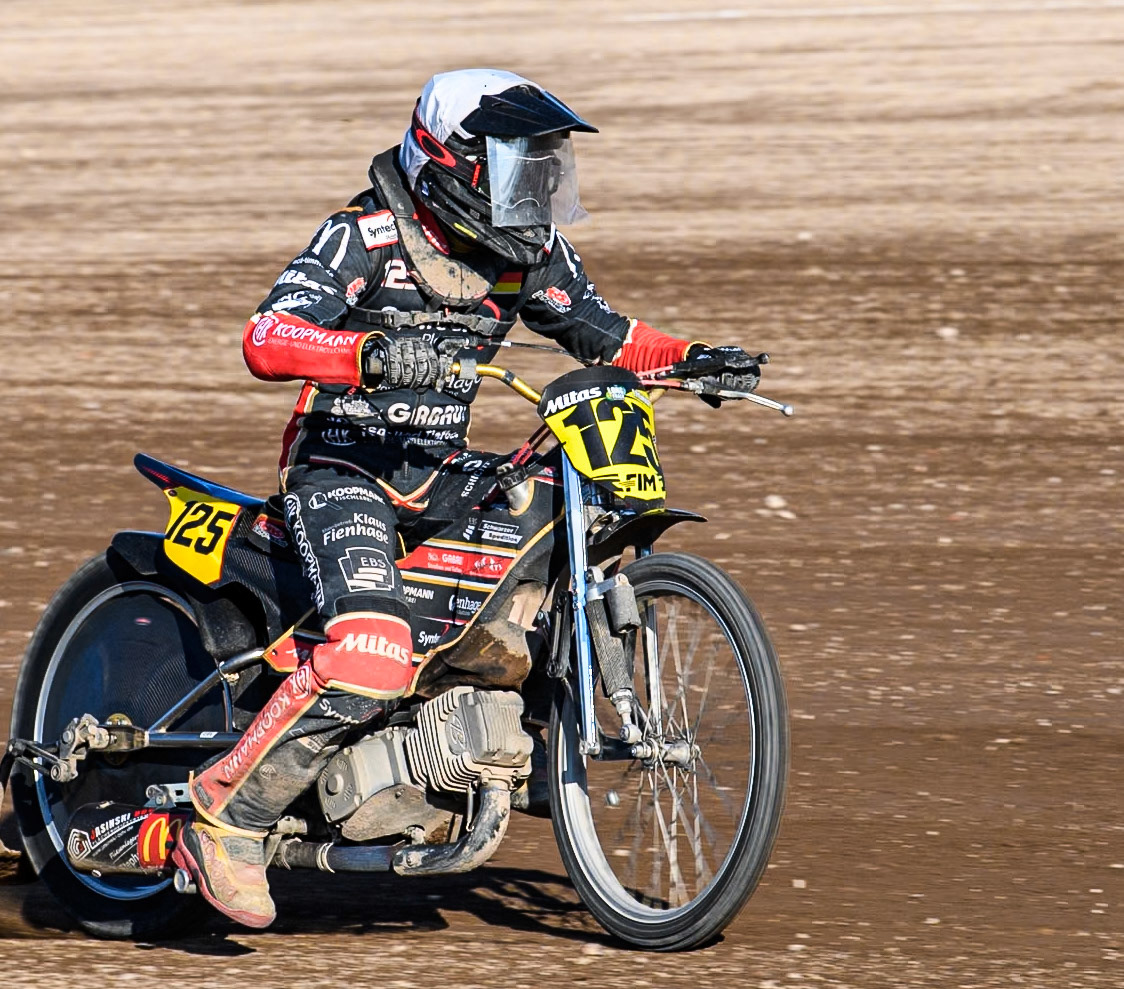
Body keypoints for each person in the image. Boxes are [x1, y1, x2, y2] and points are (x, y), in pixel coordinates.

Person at [170, 68, 762, 928]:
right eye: (522, 168)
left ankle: (491, 728)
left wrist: (696, 357)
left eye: (545, 169)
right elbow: (268, 337)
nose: (538, 190)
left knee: (550, 515)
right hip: (344, 468)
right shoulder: (365, 236)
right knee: (372, 647)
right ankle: (224, 816)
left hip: (437, 471)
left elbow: (611, 335)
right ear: (456, 165)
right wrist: (363, 355)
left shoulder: (526, 255)